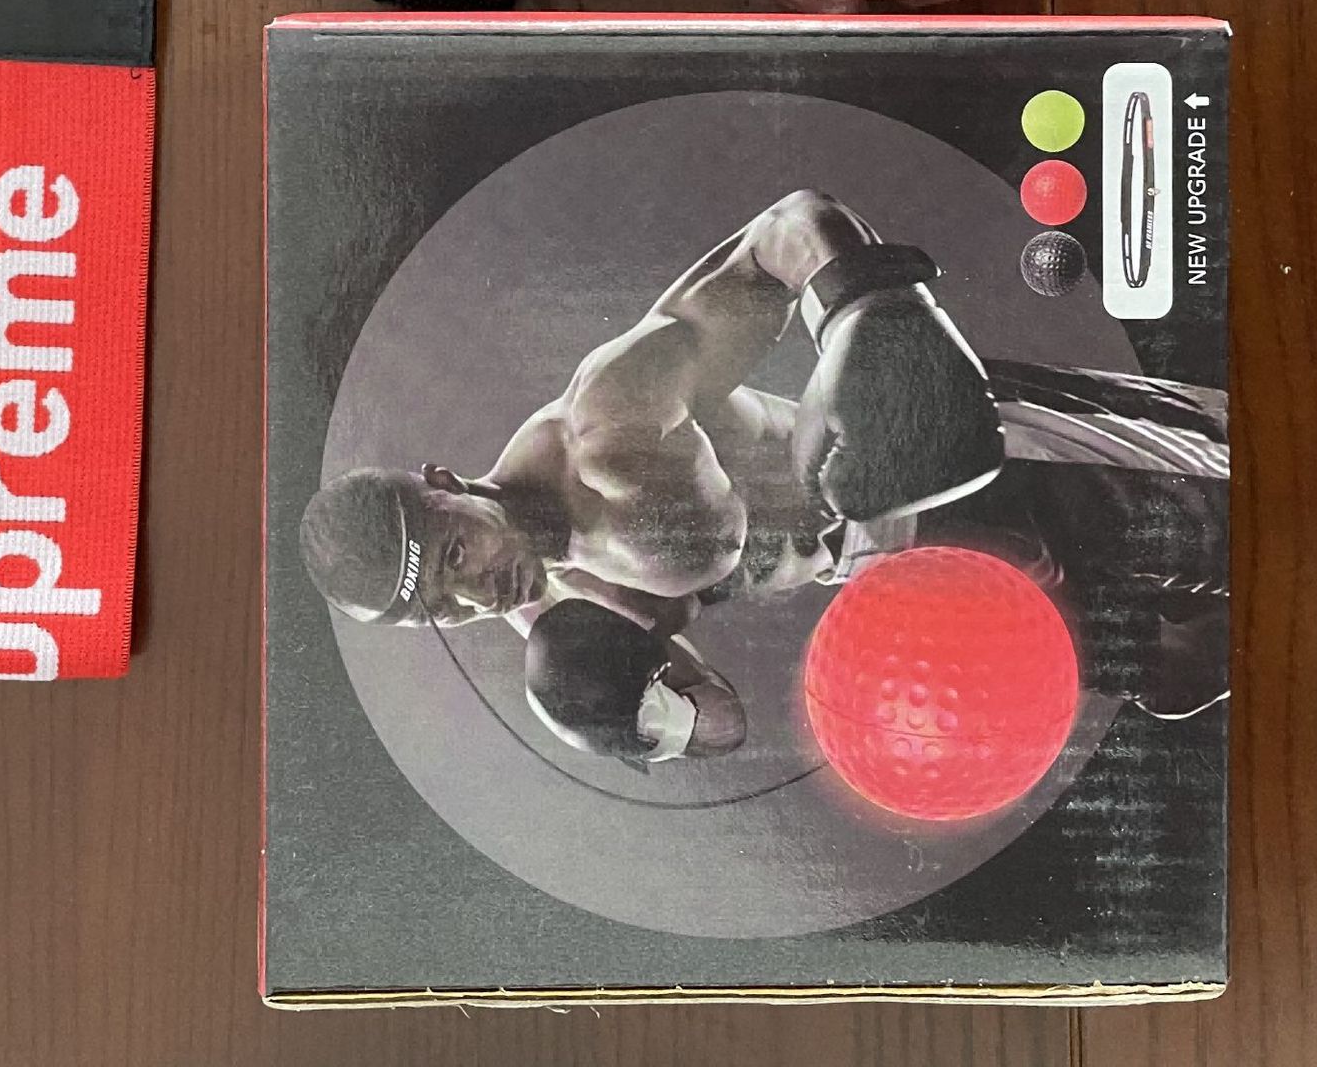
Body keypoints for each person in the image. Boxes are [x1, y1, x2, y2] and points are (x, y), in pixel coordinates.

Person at [300, 189, 1227, 765]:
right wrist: (652, 725)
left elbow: (787, 230)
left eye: (453, 551)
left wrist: (872, 318)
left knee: (1236, 508)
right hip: (913, 578)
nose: (475, 592)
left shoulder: (608, 422)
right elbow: (724, 719)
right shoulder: (551, 617)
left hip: (949, 462)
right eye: (444, 606)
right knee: (1178, 668)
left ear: (446, 480)